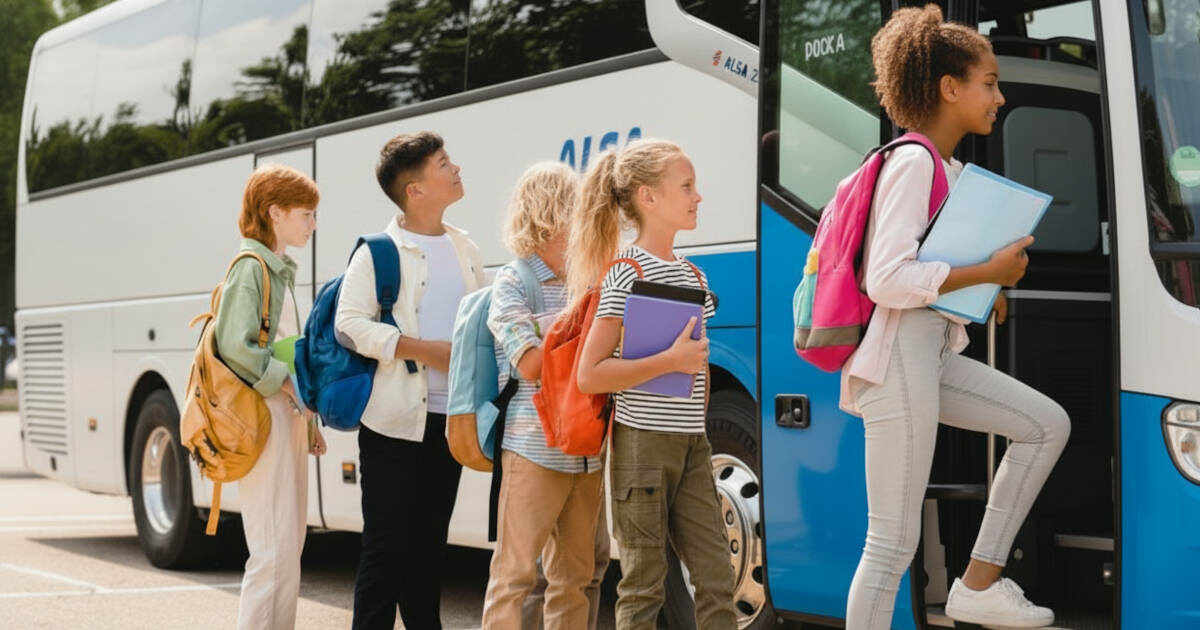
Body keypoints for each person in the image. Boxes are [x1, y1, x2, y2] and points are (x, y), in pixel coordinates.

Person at [842, 6, 1071, 628]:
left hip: (931, 354)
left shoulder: (949, 169)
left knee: (1045, 425)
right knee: (890, 543)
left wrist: (983, 286)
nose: (999, 96)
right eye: (989, 82)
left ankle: (977, 585)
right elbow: (885, 278)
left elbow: (926, 274)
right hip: (897, 361)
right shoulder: (914, 162)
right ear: (950, 87)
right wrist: (985, 274)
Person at [572, 139, 737, 629]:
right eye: (686, 187)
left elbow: (699, 368)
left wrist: (692, 385)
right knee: (643, 584)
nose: (697, 197)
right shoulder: (627, 272)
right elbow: (589, 373)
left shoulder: (694, 275)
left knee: (717, 577)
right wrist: (670, 360)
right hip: (641, 445)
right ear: (648, 197)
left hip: (692, 444)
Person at [335, 131, 485, 629]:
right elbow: (349, 324)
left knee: (428, 553)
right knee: (385, 553)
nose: (457, 168)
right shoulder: (380, 251)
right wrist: (423, 350)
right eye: (444, 164)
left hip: (450, 421)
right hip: (394, 424)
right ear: (415, 190)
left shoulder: (465, 248)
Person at [481, 162, 608, 629]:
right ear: (553, 212)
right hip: (532, 446)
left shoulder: (589, 279)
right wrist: (582, 328)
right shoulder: (514, 281)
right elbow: (529, 364)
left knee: (575, 578)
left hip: (586, 451)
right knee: (513, 575)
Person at [215, 163, 327, 630]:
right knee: (273, 550)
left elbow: (281, 346)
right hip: (264, 420)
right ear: (275, 212)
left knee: (285, 547)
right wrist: (288, 385)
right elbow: (235, 345)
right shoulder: (252, 269)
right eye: (306, 213)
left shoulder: (273, 269)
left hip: (284, 418)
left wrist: (309, 420)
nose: (313, 223)